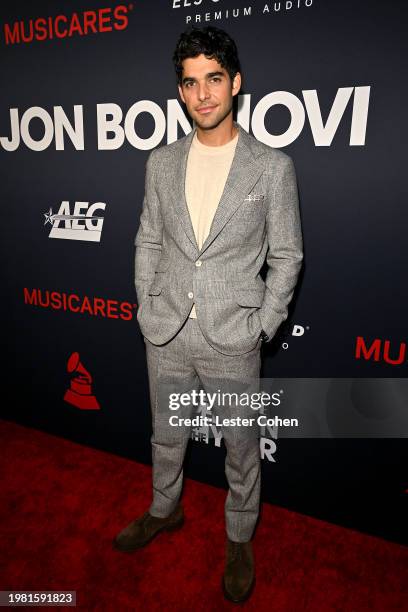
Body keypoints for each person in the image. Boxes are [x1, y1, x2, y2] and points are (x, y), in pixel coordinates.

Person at [114, 25, 303, 603]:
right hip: (166, 329)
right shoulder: (160, 162)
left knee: (242, 446)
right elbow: (148, 239)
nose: (203, 95)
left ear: (235, 83)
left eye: (214, 80)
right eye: (191, 83)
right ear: (180, 91)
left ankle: (240, 535)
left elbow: (288, 254)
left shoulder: (272, 166)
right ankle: (163, 509)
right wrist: (148, 304)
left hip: (233, 335)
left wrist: (263, 323)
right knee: (166, 436)